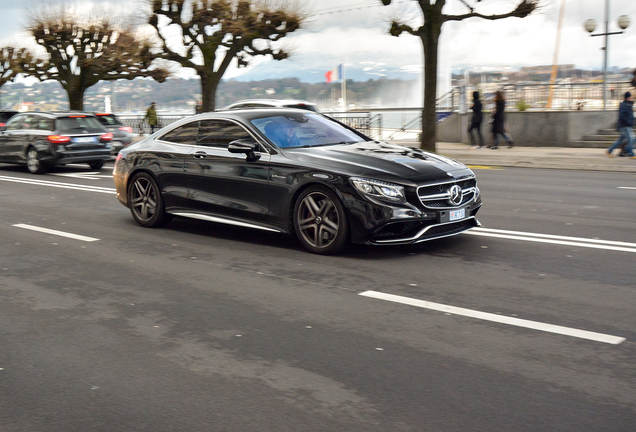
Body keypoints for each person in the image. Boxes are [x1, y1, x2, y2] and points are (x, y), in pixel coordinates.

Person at [606, 92, 635, 158]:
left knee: (621, 140)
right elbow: (622, 116)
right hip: (625, 125)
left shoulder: (629, 104)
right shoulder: (623, 105)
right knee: (631, 139)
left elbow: (630, 115)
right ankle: (631, 153)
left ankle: (609, 151)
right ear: (627, 97)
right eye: (630, 97)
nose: (631, 98)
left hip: (628, 125)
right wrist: (628, 122)